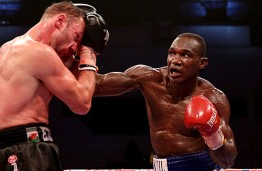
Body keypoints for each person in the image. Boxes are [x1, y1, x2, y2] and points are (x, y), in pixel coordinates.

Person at [0, 1, 109, 171]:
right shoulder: (40, 53)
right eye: (76, 37)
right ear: (60, 21)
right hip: (29, 152)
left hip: (6, 153)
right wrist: (89, 55)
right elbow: (82, 104)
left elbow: (69, 71)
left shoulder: (9, 47)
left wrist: (77, 61)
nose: (74, 47)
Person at [94, 32, 237, 171]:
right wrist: (80, 58)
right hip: (161, 166)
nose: (175, 60)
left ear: (202, 63)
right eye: (172, 53)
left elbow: (227, 161)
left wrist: (212, 135)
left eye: (185, 55)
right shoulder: (148, 79)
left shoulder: (214, 98)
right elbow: (97, 86)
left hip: (201, 166)